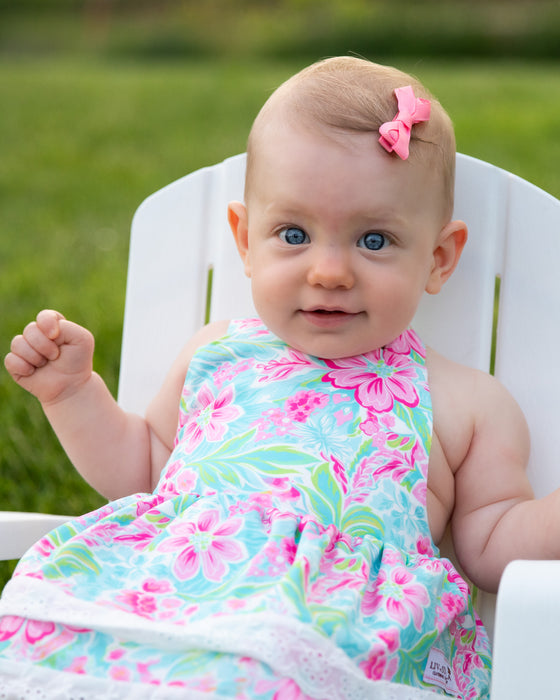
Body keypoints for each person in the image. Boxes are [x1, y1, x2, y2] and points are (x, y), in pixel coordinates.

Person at [0, 55, 550, 699]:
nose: (329, 271)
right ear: (244, 239)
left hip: (328, 642)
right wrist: (72, 394)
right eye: (293, 234)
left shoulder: (466, 401)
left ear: (438, 256)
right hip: (160, 610)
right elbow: (144, 467)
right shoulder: (216, 353)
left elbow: (491, 540)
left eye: (374, 241)